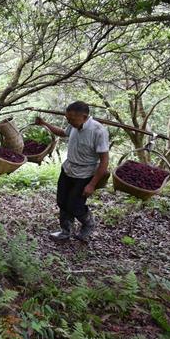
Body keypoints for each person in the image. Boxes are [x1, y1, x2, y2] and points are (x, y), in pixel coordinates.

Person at [35, 101, 109, 243]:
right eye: (67, 119)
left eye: (72, 119)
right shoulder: (74, 124)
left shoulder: (98, 131)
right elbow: (63, 133)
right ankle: (65, 231)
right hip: (68, 169)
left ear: (85, 116)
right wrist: (44, 124)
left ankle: (88, 223)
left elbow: (104, 161)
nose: (69, 121)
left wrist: (92, 185)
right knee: (62, 201)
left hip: (85, 174)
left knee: (75, 205)